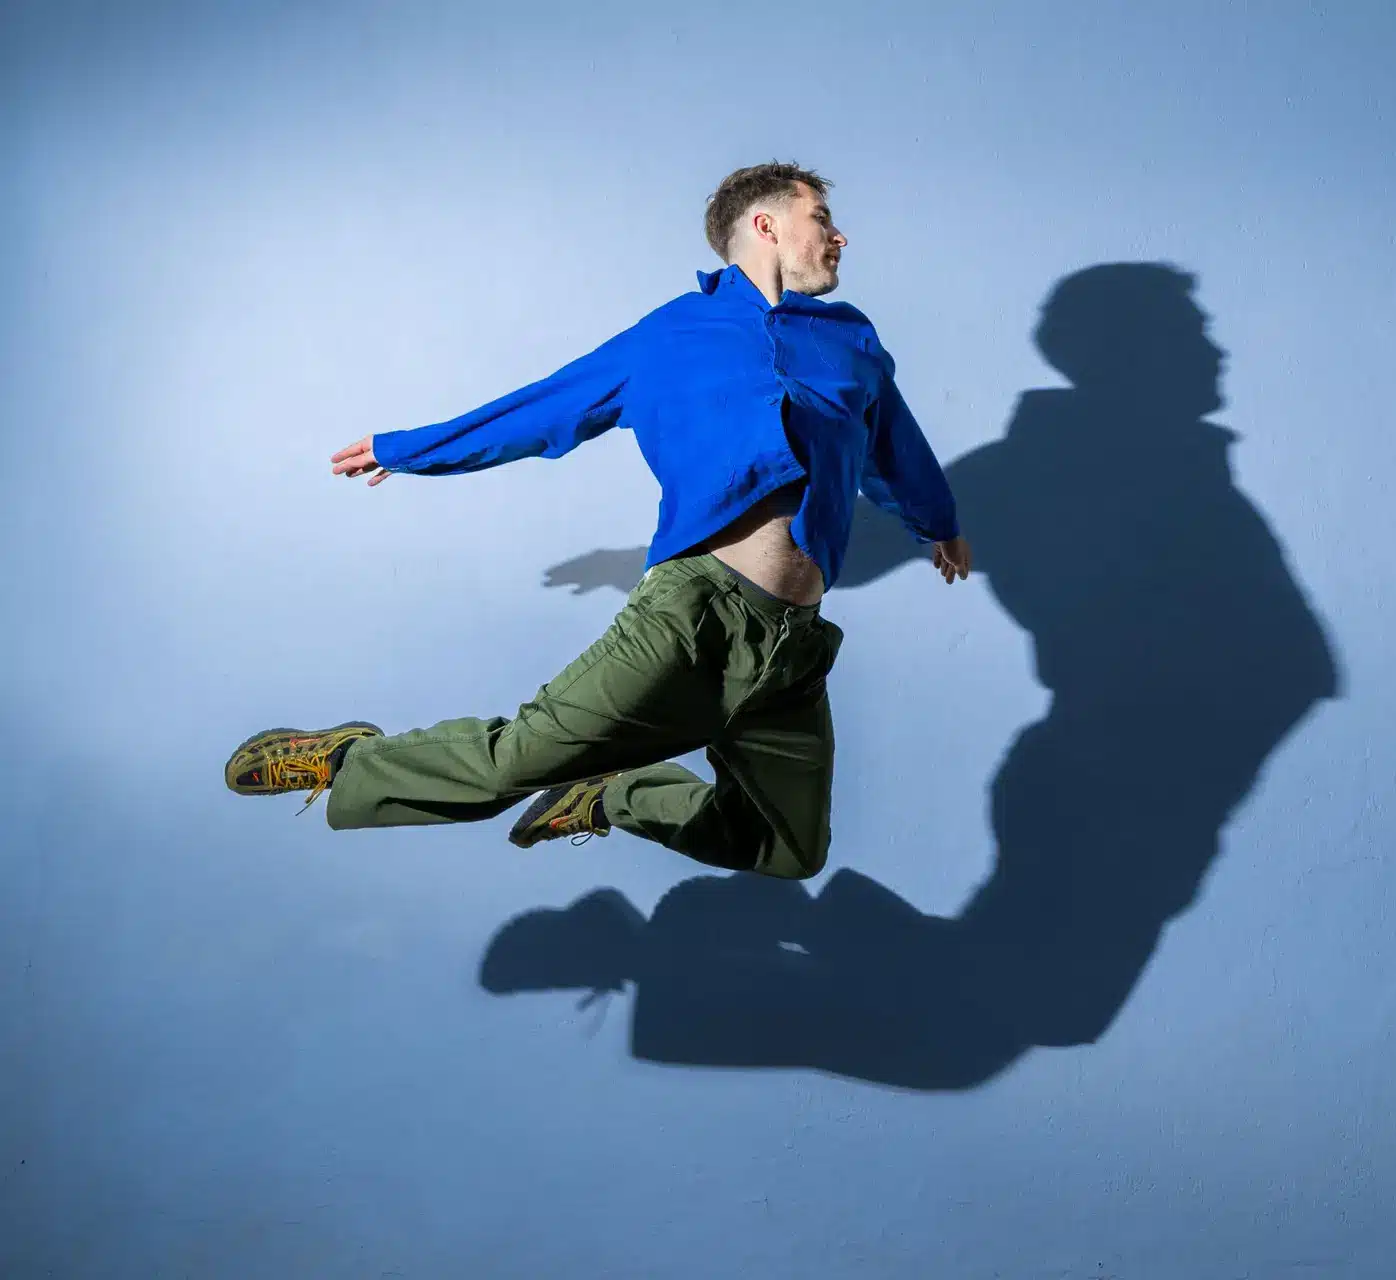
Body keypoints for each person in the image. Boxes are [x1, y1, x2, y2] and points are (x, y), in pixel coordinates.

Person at [223, 162, 971, 881]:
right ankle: (349, 761)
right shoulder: (669, 336)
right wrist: (411, 449)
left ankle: (614, 795)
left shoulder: (851, 342)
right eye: (823, 220)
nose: (840, 237)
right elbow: (546, 407)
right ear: (766, 224)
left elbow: (894, 446)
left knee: (787, 849)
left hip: (792, 647)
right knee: (514, 763)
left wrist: (938, 523)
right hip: (691, 614)